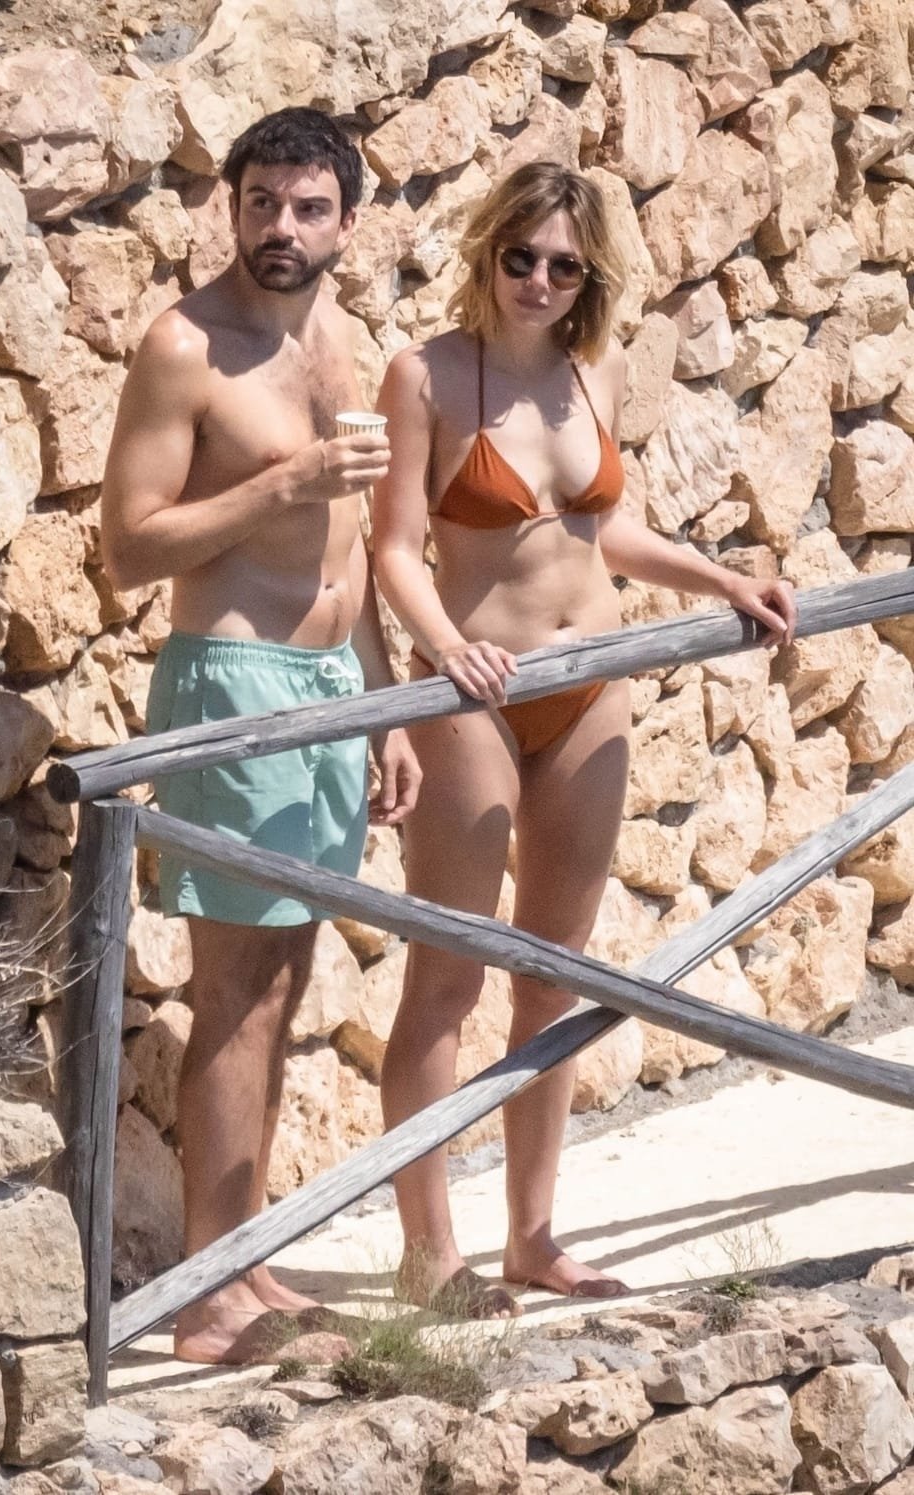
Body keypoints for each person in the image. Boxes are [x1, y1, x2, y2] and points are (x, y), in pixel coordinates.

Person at [373, 160, 797, 1318]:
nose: (539, 280)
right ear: (488, 251)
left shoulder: (590, 369)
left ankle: (532, 1237)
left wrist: (720, 577)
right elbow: (395, 547)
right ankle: (428, 1254)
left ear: (588, 276)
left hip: (590, 687)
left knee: (553, 976)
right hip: (472, 693)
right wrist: (441, 645)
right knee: (447, 977)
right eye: (521, 257)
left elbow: (605, 528)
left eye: (564, 265)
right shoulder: (426, 374)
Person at [99, 106, 421, 1364]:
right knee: (233, 992)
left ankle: (245, 1261)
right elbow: (130, 549)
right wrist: (278, 485)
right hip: (234, 686)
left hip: (335, 687)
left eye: (307, 207)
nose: (281, 227)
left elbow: (355, 548)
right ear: (230, 206)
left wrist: (385, 705)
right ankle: (205, 1300)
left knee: (283, 981)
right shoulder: (185, 348)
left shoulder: (341, 339)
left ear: (348, 221)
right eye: (260, 203)